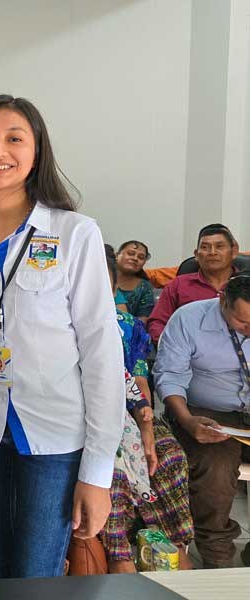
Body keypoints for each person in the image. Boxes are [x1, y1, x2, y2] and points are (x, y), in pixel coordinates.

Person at [0, 94, 124, 578]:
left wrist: (98, 472)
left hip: (55, 432)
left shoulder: (75, 233)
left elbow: (101, 350)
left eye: (14, 139)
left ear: (37, 151)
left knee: (37, 574)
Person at [98, 255, 193, 572]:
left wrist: (147, 427)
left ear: (114, 289)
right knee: (110, 469)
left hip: (128, 412)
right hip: (79, 419)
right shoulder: (56, 325)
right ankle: (119, 555)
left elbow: (137, 380)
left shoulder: (127, 326)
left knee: (168, 455)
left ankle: (173, 547)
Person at [154, 274, 250, 568]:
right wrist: (186, 420)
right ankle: (217, 554)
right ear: (222, 301)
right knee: (215, 466)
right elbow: (169, 375)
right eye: (243, 322)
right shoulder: (189, 319)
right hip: (207, 411)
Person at [147, 224, 239, 343]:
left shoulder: (245, 284)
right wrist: (172, 346)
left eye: (219, 246)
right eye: (205, 247)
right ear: (196, 254)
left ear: (234, 251)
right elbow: (157, 323)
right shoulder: (178, 285)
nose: (212, 252)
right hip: (187, 350)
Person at [115, 241, 155, 322]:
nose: (135, 258)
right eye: (130, 253)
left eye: (141, 257)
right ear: (116, 255)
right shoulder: (103, 278)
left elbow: (143, 320)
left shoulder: (144, 287)